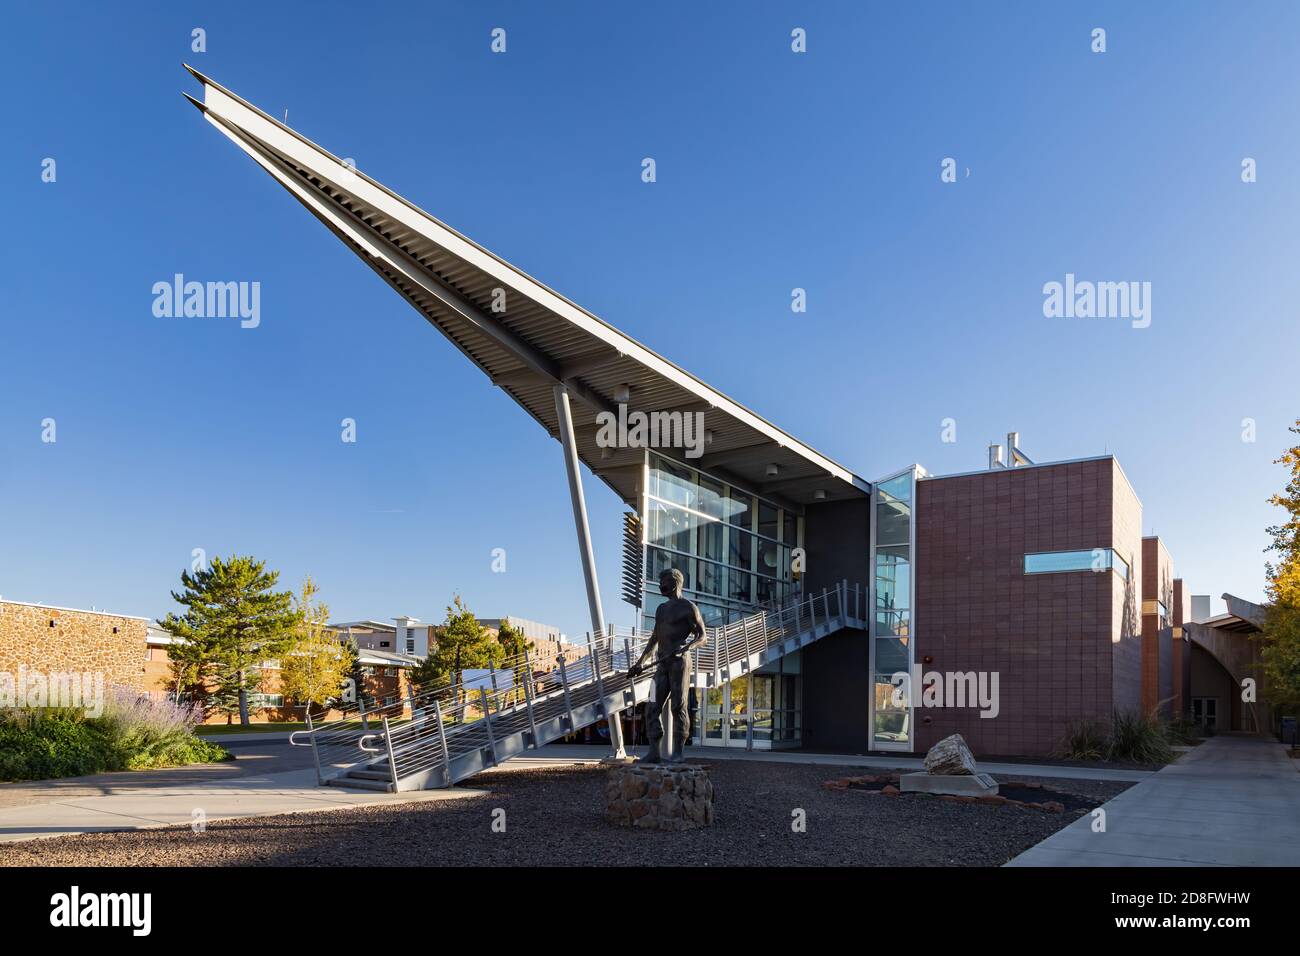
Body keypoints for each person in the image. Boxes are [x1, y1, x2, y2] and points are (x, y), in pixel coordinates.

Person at [628, 567, 706, 763]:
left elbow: (702, 636)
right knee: (651, 705)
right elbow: (654, 639)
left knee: (678, 707)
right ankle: (654, 752)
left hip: (679, 663)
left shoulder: (689, 607)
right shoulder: (661, 609)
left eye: (665, 581)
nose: (661, 585)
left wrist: (687, 646)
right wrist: (639, 663)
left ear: (675, 583)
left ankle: (678, 753)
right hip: (661, 665)